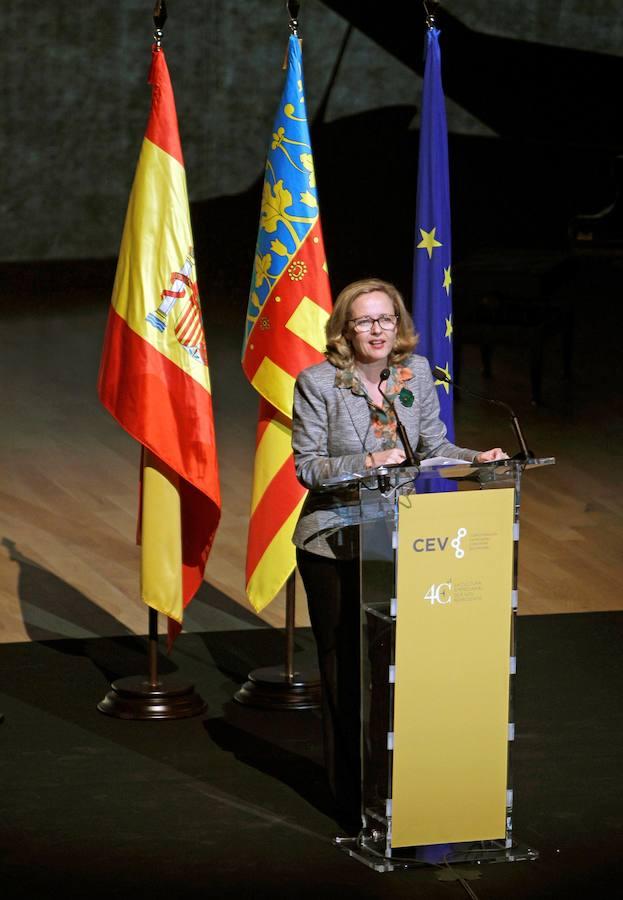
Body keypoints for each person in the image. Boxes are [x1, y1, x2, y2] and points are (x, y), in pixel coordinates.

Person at [291, 277, 507, 832]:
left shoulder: (416, 376)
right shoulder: (318, 383)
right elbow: (308, 467)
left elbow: (434, 449)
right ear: (345, 330)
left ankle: (391, 785)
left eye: (386, 319)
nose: (377, 330)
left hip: (401, 540)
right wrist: (368, 462)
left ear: (399, 324)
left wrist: (479, 458)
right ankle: (348, 796)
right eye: (364, 321)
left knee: (395, 670)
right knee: (346, 668)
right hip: (334, 542)